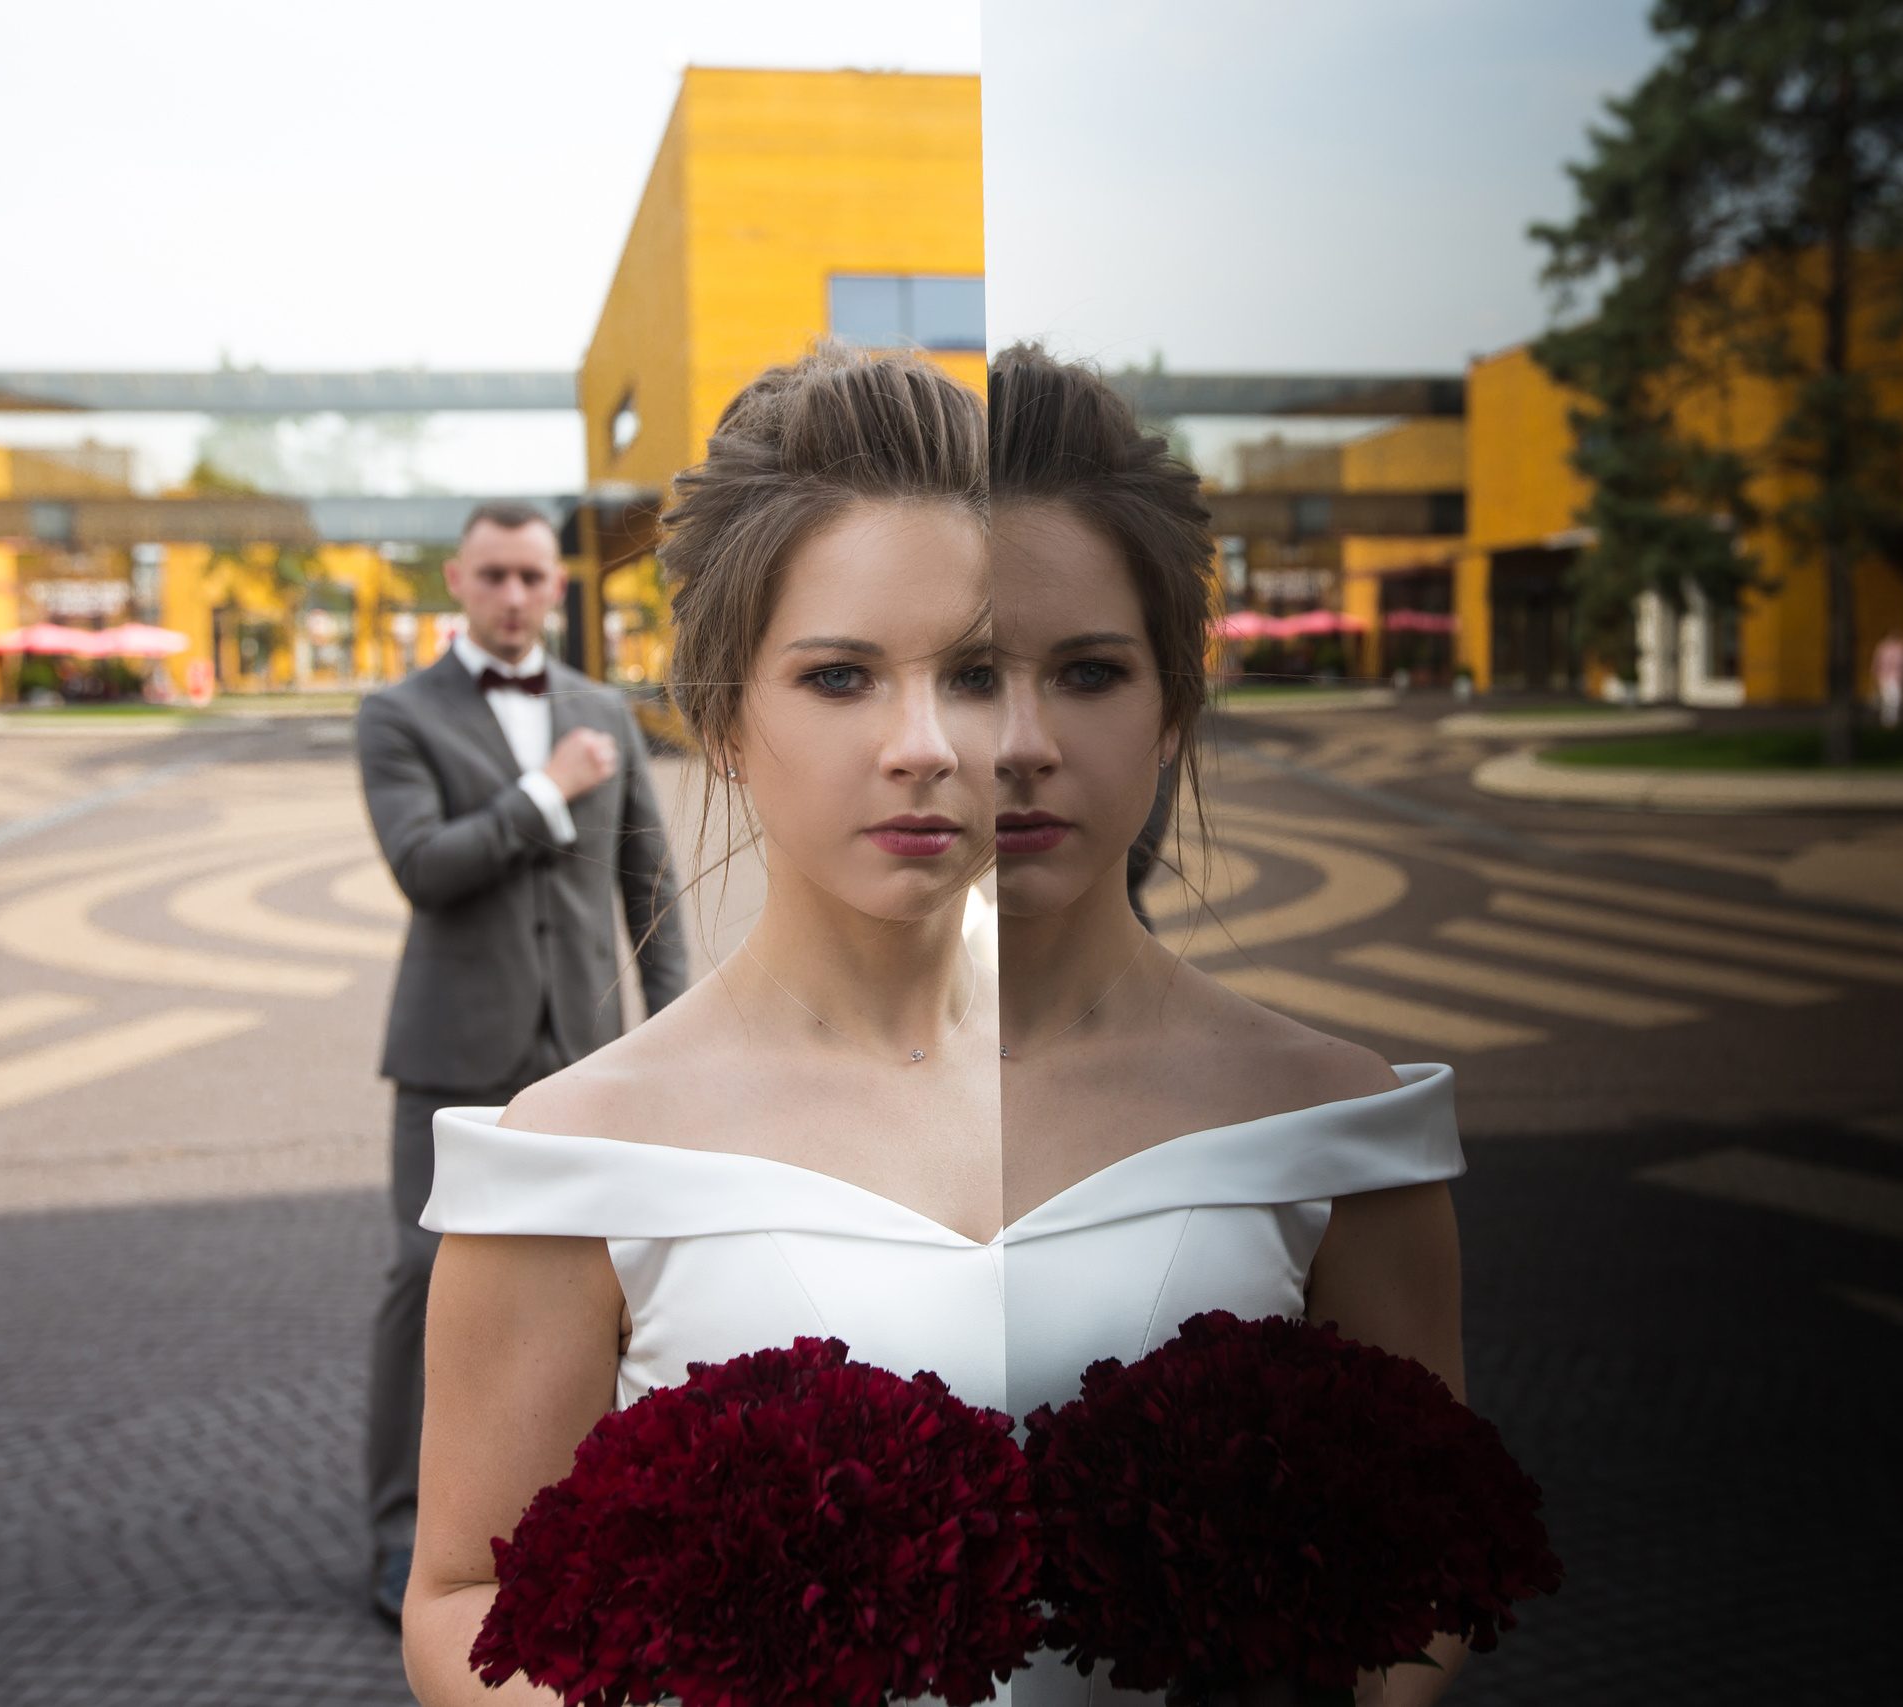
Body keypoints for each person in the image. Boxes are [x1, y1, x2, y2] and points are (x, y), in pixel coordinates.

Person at [400, 347, 999, 1704]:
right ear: (722, 714)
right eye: (839, 675)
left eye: (976, 670)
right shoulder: (570, 1159)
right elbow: (465, 1598)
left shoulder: (1206, 1092)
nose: (924, 742)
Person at [989, 344, 1470, 1707]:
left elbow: (1430, 1567)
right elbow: (477, 1590)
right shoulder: (605, 1140)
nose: (1019, 739)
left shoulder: (1338, 1126)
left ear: (1173, 710)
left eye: (1091, 671)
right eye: (960, 671)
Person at [352, 501, 685, 1626]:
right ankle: (399, 1535)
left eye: (530, 577)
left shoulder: (601, 709)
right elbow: (423, 865)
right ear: (457, 580)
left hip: (587, 1055)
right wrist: (546, 790)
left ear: (556, 587)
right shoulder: (397, 714)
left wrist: (672, 1038)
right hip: (453, 1053)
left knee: (605, 1291)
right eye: (491, 574)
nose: (511, 595)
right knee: (421, 1281)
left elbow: (652, 891)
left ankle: (584, 1522)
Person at [1872, 627, 1903, 729]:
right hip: (1886, 676)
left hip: (1898, 677)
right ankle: (1889, 722)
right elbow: (1878, 662)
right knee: (1890, 699)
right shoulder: (1884, 647)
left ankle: (1890, 721)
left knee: (1895, 699)